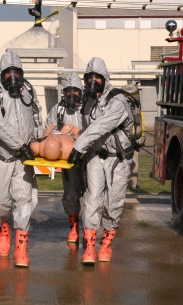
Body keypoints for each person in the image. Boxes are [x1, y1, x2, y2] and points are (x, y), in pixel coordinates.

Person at [0, 50, 44, 267]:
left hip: (23, 159)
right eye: (8, 73)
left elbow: (36, 115)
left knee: (24, 200)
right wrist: (20, 145)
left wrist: (40, 139)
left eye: (17, 72)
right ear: (1, 73)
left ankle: (21, 247)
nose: (12, 77)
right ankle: (3, 228)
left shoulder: (28, 90)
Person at [68, 57, 134, 265]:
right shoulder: (88, 102)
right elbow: (85, 127)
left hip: (117, 159)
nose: (92, 82)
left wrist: (79, 146)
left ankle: (105, 245)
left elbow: (102, 126)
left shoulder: (118, 101)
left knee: (113, 203)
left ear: (105, 79)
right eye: (89, 77)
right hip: (95, 156)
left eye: (97, 77)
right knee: (91, 201)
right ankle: (89, 247)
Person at [44, 73, 84, 244]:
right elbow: (46, 131)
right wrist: (59, 134)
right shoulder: (57, 110)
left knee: (92, 194)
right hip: (68, 160)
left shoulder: (88, 108)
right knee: (71, 193)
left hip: (89, 158)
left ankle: (90, 228)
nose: (72, 94)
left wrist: (77, 132)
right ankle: (74, 227)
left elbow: (97, 129)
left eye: (75, 90)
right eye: (68, 91)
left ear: (81, 91)